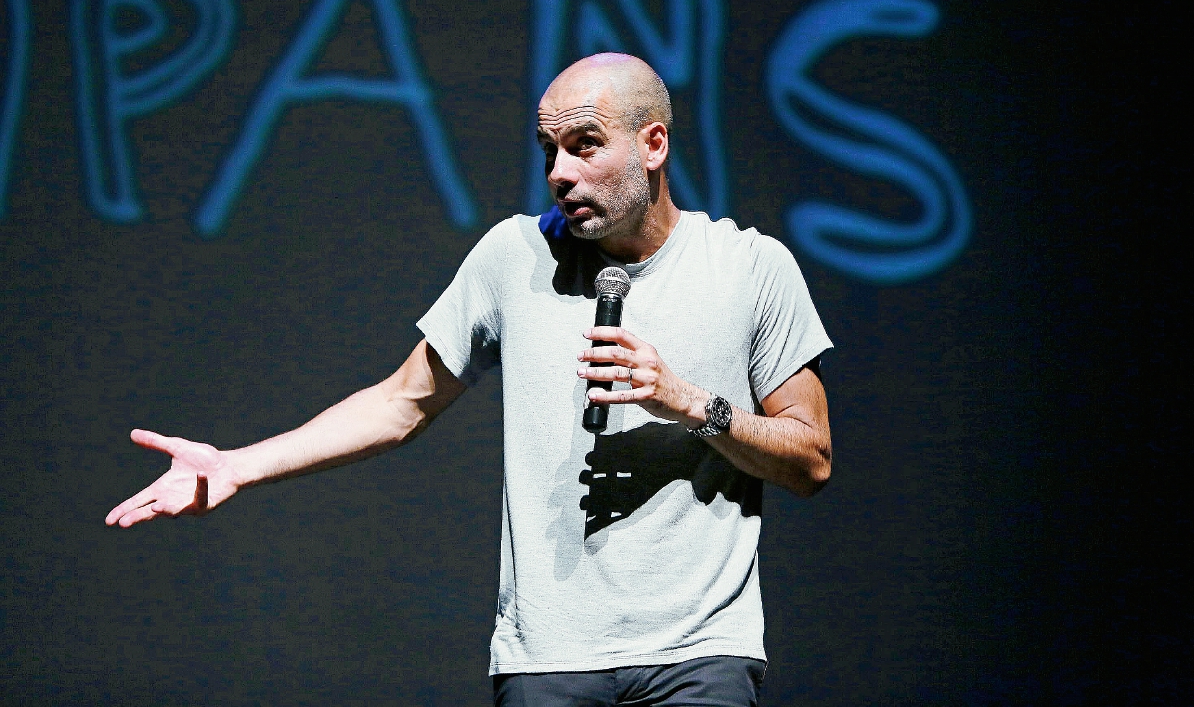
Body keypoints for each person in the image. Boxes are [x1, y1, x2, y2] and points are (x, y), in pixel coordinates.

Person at [106, 53, 833, 706]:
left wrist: (690, 404)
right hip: (547, 657)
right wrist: (237, 465)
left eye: (584, 146)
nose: (560, 173)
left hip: (699, 656)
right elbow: (400, 403)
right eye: (549, 150)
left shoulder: (748, 267)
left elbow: (810, 460)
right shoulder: (513, 256)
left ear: (653, 144)